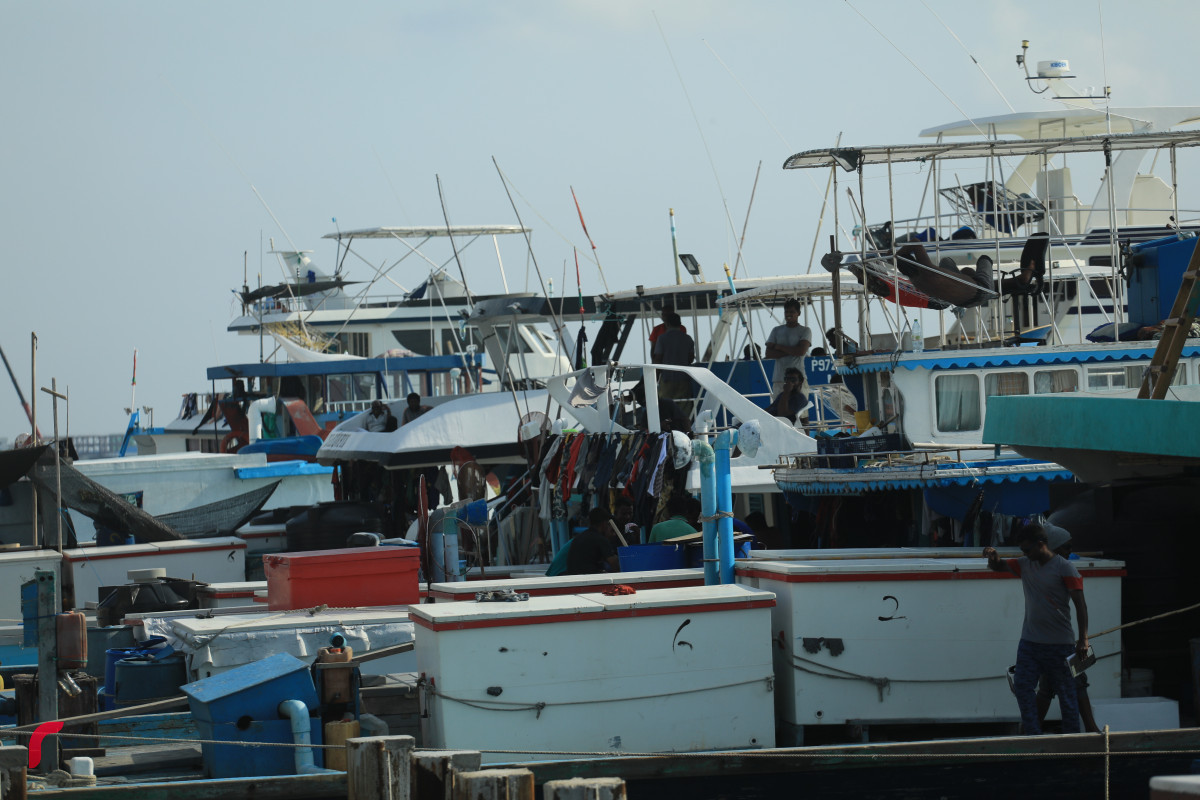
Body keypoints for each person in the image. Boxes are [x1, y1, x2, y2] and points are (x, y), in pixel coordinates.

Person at [984, 522, 1090, 735]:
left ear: (1041, 545)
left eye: (1027, 550)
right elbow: (999, 566)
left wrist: (1083, 639)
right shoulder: (1025, 564)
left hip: (1060, 645)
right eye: (1022, 551)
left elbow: (1080, 604)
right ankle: (1033, 734)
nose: (1025, 554)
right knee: (1022, 685)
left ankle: (1072, 740)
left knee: (1067, 695)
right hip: (1030, 642)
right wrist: (993, 557)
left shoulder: (1065, 567)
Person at [1036, 524, 1101, 734]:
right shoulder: (1056, 570)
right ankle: (1091, 731)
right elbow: (1080, 605)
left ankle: (1028, 732)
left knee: (1048, 687)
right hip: (1056, 642)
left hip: (1051, 640)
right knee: (1077, 681)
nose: (1068, 553)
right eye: (1066, 548)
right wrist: (1083, 639)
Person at [766, 299, 812, 398]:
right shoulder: (776, 330)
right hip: (779, 379)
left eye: (792, 312)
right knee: (779, 411)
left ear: (798, 313)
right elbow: (768, 354)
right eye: (786, 312)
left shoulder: (805, 331)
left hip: (798, 380)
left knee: (800, 412)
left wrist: (778, 347)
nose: (788, 314)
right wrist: (792, 350)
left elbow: (801, 351)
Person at [652, 312, 695, 400]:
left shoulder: (662, 338)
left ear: (667, 324)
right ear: (680, 324)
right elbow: (690, 359)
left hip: (667, 378)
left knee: (665, 406)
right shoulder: (688, 339)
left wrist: (655, 378)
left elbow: (658, 359)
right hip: (684, 378)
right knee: (684, 406)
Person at [565, 507, 620, 574]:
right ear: (603, 523)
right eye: (607, 524)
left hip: (572, 577)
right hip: (588, 578)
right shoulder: (600, 539)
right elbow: (614, 565)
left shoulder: (579, 537)